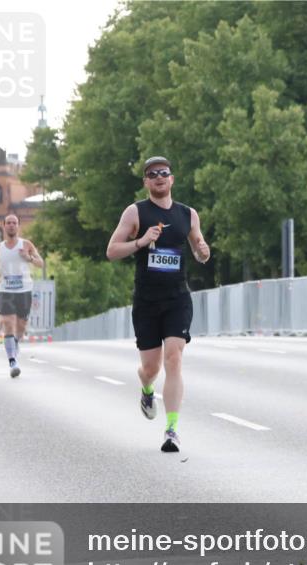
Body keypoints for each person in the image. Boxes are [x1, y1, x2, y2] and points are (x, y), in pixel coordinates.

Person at [106, 156, 210, 453]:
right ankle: (147, 388)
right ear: (146, 182)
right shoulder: (135, 212)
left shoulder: (188, 214)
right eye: (153, 174)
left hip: (177, 297)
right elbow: (112, 251)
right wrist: (140, 242)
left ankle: (172, 429)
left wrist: (203, 251)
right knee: (150, 368)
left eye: (164, 173)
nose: (159, 177)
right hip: (147, 301)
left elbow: (200, 250)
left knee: (174, 359)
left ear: (172, 179)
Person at [0, 214, 44, 377]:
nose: (11, 226)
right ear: (4, 226)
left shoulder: (26, 244)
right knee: (8, 323)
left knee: (21, 326)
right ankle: (12, 361)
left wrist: (28, 257)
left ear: (18, 226)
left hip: (24, 290)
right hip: (6, 289)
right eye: (8, 223)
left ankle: (15, 342)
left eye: (14, 223)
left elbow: (41, 263)